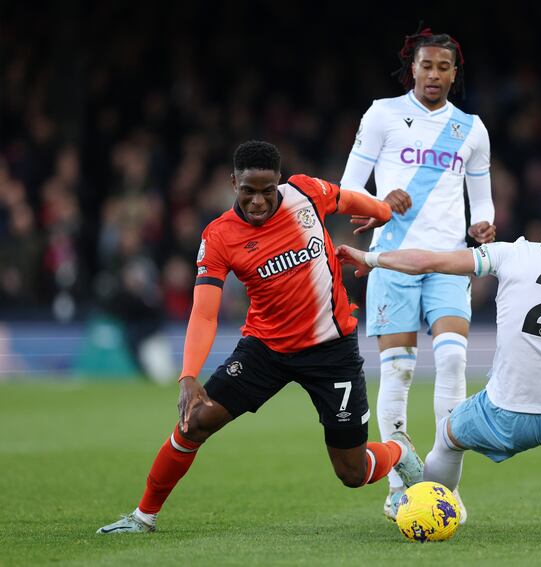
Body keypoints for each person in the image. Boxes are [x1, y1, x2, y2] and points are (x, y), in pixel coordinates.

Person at [97, 141, 424, 534]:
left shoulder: (306, 193)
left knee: (352, 473)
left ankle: (398, 451)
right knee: (195, 421)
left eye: (267, 191)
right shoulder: (219, 236)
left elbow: (354, 201)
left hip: (332, 350)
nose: (257, 201)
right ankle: (143, 517)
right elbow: (204, 312)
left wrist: (383, 210)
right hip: (266, 349)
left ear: (279, 182)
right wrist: (188, 375)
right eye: (248, 191)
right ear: (233, 183)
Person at [337, 202, 541, 532]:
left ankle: (433, 503)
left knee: (447, 437)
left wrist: (370, 259)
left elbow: (428, 261)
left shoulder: (513, 253)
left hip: (501, 415)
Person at [339, 26, 495, 522]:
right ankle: (398, 486)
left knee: (452, 362)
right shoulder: (382, 114)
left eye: (443, 67)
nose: (433, 74)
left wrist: (483, 224)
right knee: (399, 371)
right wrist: (380, 203)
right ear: (412, 68)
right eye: (426, 65)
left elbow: (482, 201)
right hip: (392, 258)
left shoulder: (471, 128)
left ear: (454, 73)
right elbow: (346, 189)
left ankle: (444, 488)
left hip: (447, 261)